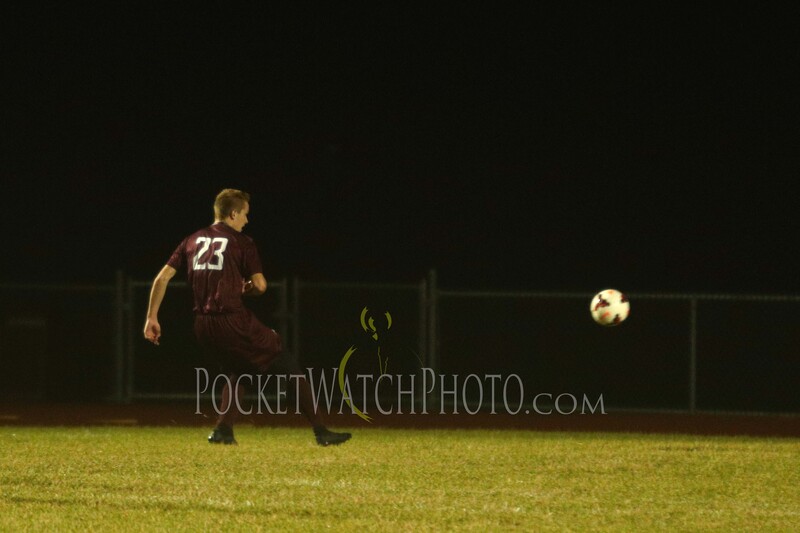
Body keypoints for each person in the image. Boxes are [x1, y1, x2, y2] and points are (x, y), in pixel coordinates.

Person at [143, 188, 351, 446]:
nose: (246, 220)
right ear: (233, 214)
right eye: (245, 214)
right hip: (232, 319)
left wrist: (152, 317)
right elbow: (261, 285)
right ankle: (322, 431)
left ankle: (223, 430)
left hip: (202, 325)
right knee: (284, 360)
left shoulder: (191, 240)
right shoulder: (243, 242)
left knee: (239, 369)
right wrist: (249, 289)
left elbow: (162, 277)